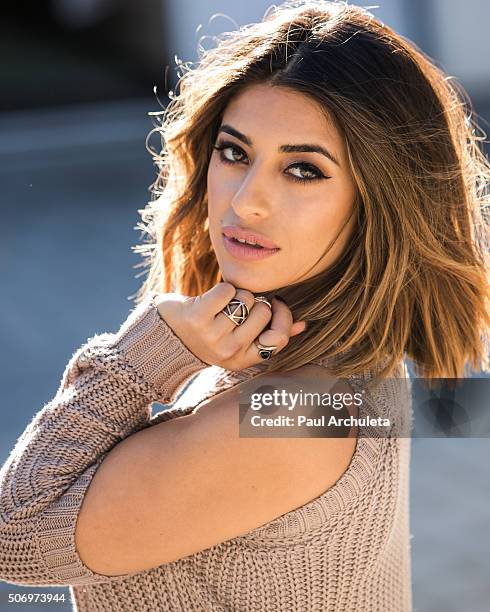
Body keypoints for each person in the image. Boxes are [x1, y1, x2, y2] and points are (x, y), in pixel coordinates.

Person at [1, 1, 489, 610]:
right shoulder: (331, 356)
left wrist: (141, 357)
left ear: (381, 202)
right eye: (235, 152)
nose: (248, 201)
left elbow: (18, 535)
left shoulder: (295, 414)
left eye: (303, 170)